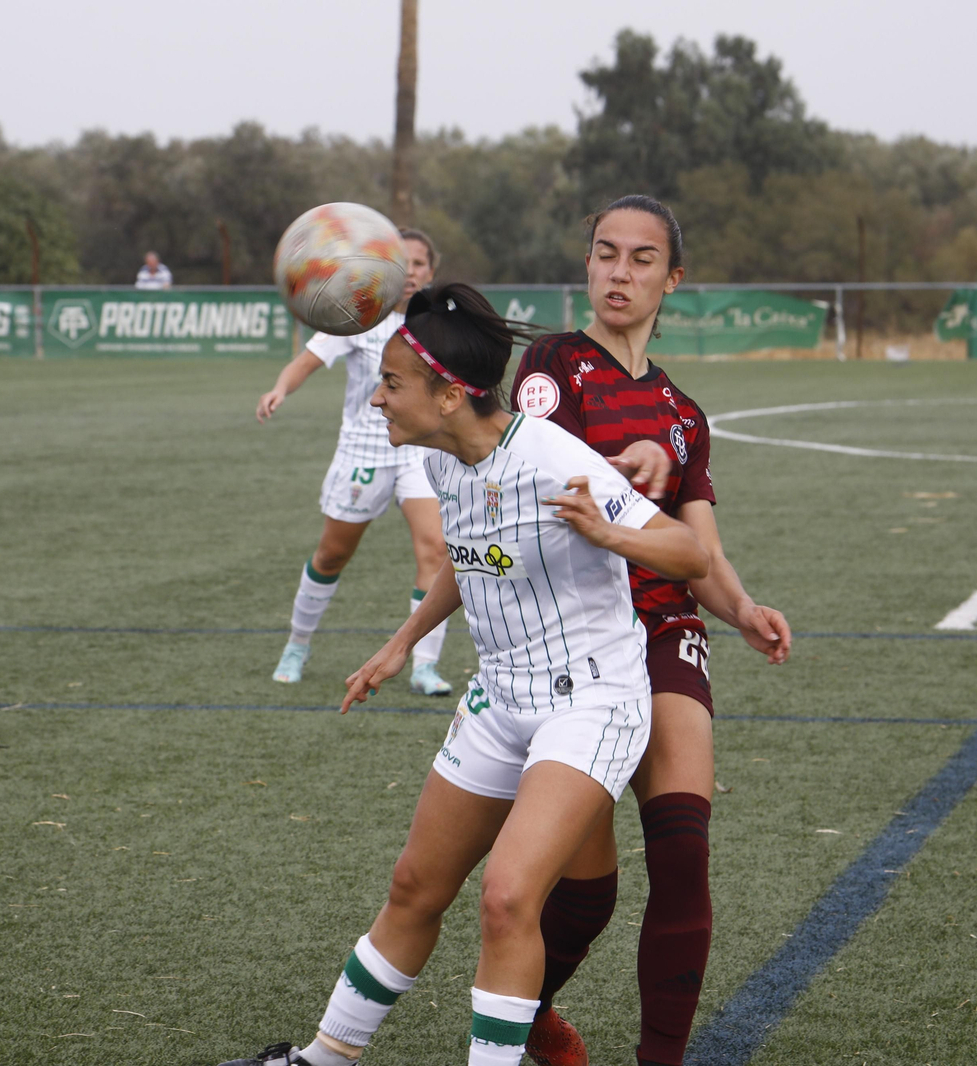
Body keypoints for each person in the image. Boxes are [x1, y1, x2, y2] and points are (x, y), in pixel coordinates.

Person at [217, 282, 709, 1066]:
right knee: (415, 886)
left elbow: (691, 554)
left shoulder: (555, 460)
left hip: (591, 703)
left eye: (392, 384)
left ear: (449, 396)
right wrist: (400, 641)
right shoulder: (441, 457)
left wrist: (605, 532)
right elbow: (469, 558)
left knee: (509, 898)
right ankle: (322, 1060)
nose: (378, 399)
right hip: (501, 695)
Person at [509, 195, 791, 1066]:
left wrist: (741, 608)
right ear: (587, 265)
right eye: (605, 254)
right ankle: (527, 1019)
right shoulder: (552, 364)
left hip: (664, 632)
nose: (618, 273)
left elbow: (699, 549)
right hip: (575, 645)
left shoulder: (683, 413)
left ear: (674, 279)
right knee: (586, 896)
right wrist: (617, 474)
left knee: (682, 857)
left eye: (640, 259)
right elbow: (531, 492)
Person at [257, 230, 454, 694]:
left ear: (431, 271)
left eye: (420, 264)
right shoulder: (357, 315)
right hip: (363, 452)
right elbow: (306, 361)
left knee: (436, 550)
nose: (412, 273)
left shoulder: (440, 326)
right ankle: (298, 643)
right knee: (332, 554)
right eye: (402, 263)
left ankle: (425, 664)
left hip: (420, 452)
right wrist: (280, 389)